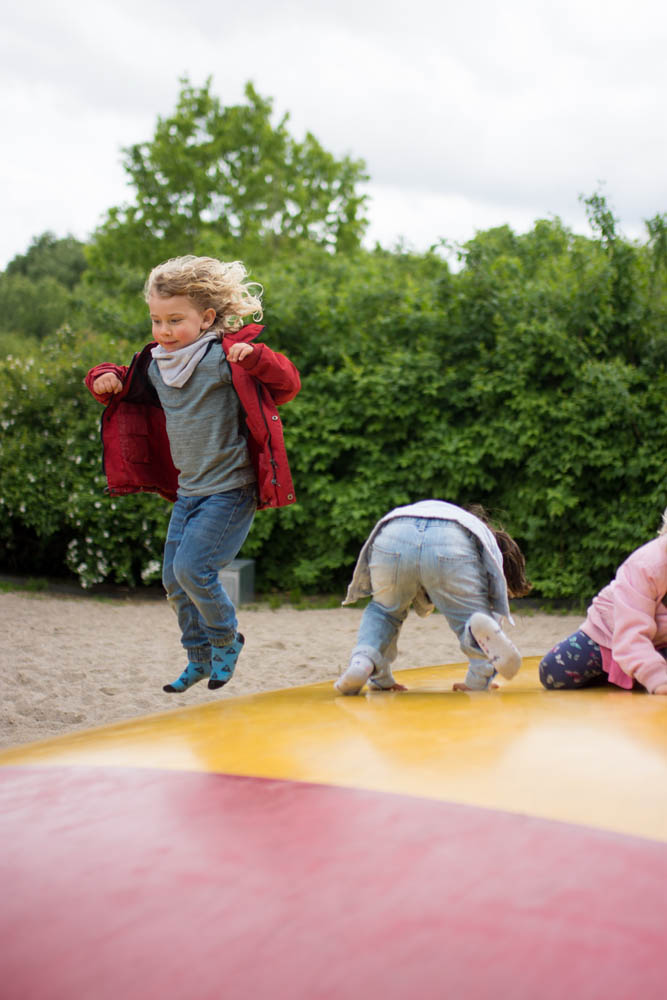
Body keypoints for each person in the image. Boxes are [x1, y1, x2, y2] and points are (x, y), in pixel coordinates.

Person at [85, 255, 300, 694]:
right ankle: (199, 656)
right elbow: (122, 383)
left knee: (193, 569)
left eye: (175, 320)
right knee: (172, 580)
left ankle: (226, 640)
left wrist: (256, 358)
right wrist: (103, 377)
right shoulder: (156, 363)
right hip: (189, 492)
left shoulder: (224, 358)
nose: (163, 331)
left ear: (206, 318)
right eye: (156, 320)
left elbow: (287, 384)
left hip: (230, 490)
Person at [335, 500, 531, 695]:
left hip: (394, 531)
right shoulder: (475, 531)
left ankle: (363, 663)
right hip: (450, 541)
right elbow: (492, 597)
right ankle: (479, 679)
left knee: (384, 612)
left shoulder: (451, 516)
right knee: (473, 619)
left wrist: (382, 681)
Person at [539, 508, 667, 695]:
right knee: (552, 673)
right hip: (609, 634)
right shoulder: (646, 566)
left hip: (660, 641)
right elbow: (630, 633)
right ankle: (631, 670)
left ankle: (638, 669)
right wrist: (658, 679)